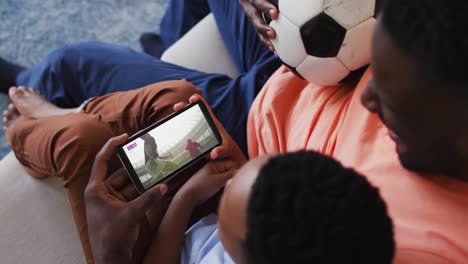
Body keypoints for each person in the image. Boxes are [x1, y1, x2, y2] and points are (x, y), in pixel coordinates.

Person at [244, 0, 468, 262]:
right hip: (287, 50)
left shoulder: (413, 243)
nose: (366, 99)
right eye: (373, 77)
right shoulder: (419, 51)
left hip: (253, 122)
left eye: (389, 102)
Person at [0, 0, 282, 156]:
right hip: (290, 70)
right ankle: (163, 57)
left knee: (70, 65)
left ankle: (25, 82)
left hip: (264, 114)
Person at [86, 135, 395, 263]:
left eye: (231, 191)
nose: (231, 180)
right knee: (175, 96)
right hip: (183, 217)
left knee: (79, 139)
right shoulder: (347, 233)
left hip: (155, 246)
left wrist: (107, 254)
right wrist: (190, 195)